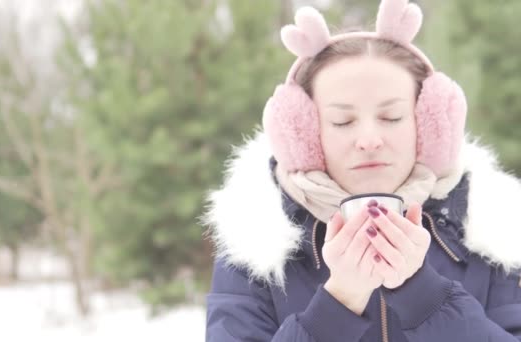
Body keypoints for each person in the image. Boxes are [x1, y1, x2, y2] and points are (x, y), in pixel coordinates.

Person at [202, 0, 521, 341]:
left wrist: (424, 296)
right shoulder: (255, 241)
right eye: (342, 121)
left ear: (429, 125)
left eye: (391, 117)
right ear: (304, 132)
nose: (369, 139)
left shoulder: (493, 232)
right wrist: (337, 304)